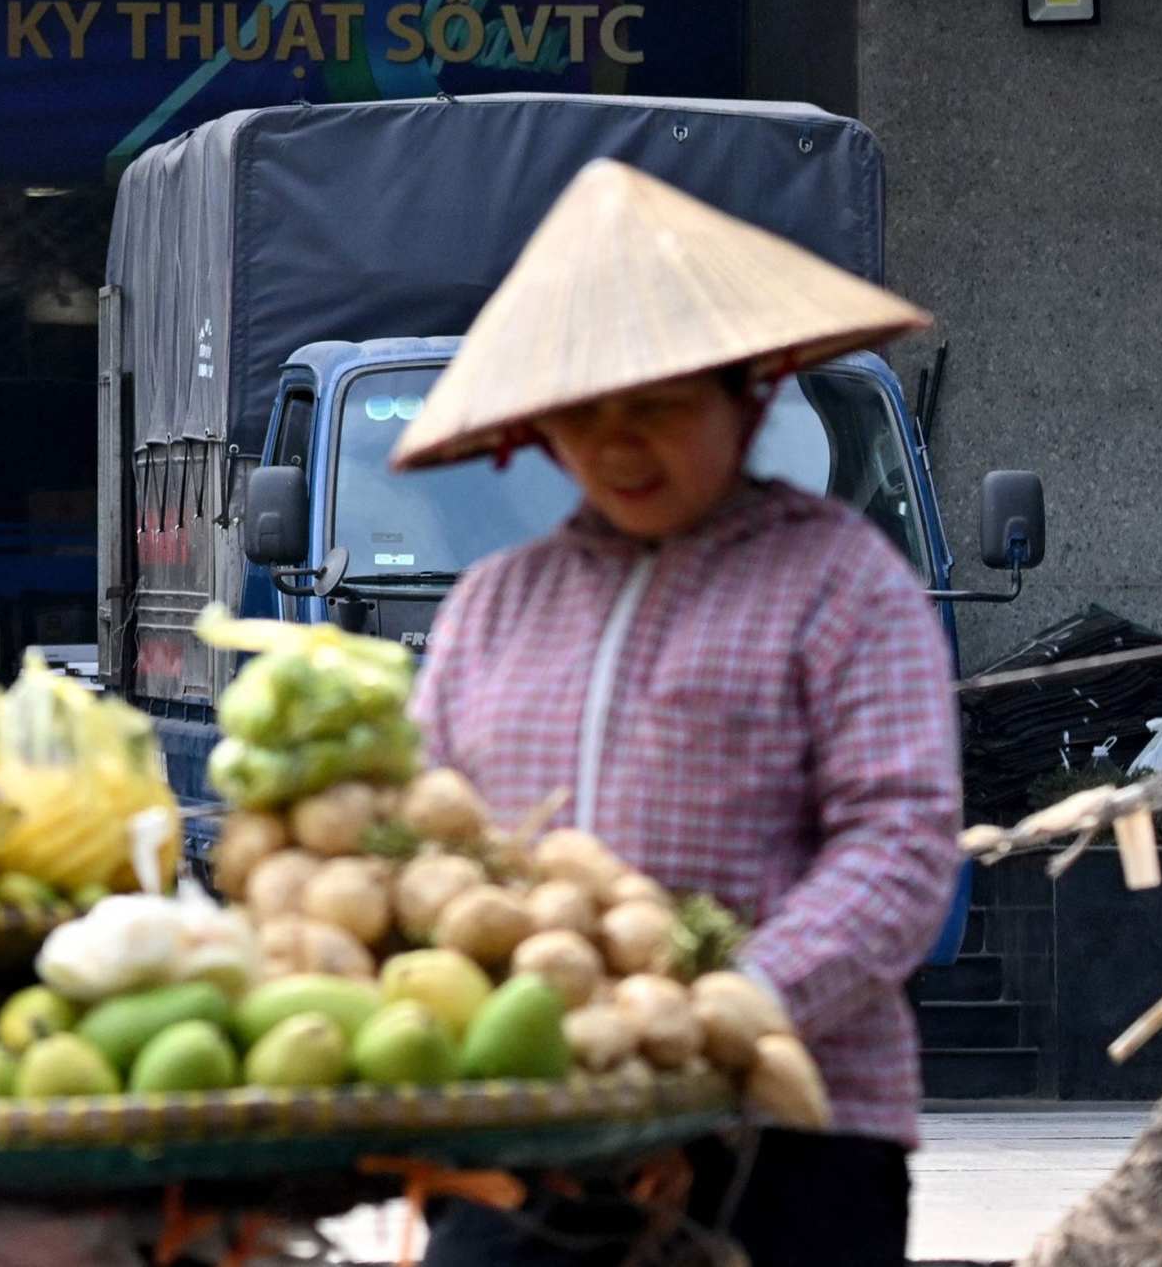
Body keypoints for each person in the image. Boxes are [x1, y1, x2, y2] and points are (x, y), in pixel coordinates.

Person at [397, 162, 963, 1267]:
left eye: (657, 406)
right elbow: (431, 845)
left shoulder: (843, 581)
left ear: (747, 396)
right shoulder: (493, 604)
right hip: (537, 1129)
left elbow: (898, 849)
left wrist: (729, 1009)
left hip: (795, 1133)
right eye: (583, 413)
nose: (616, 446)